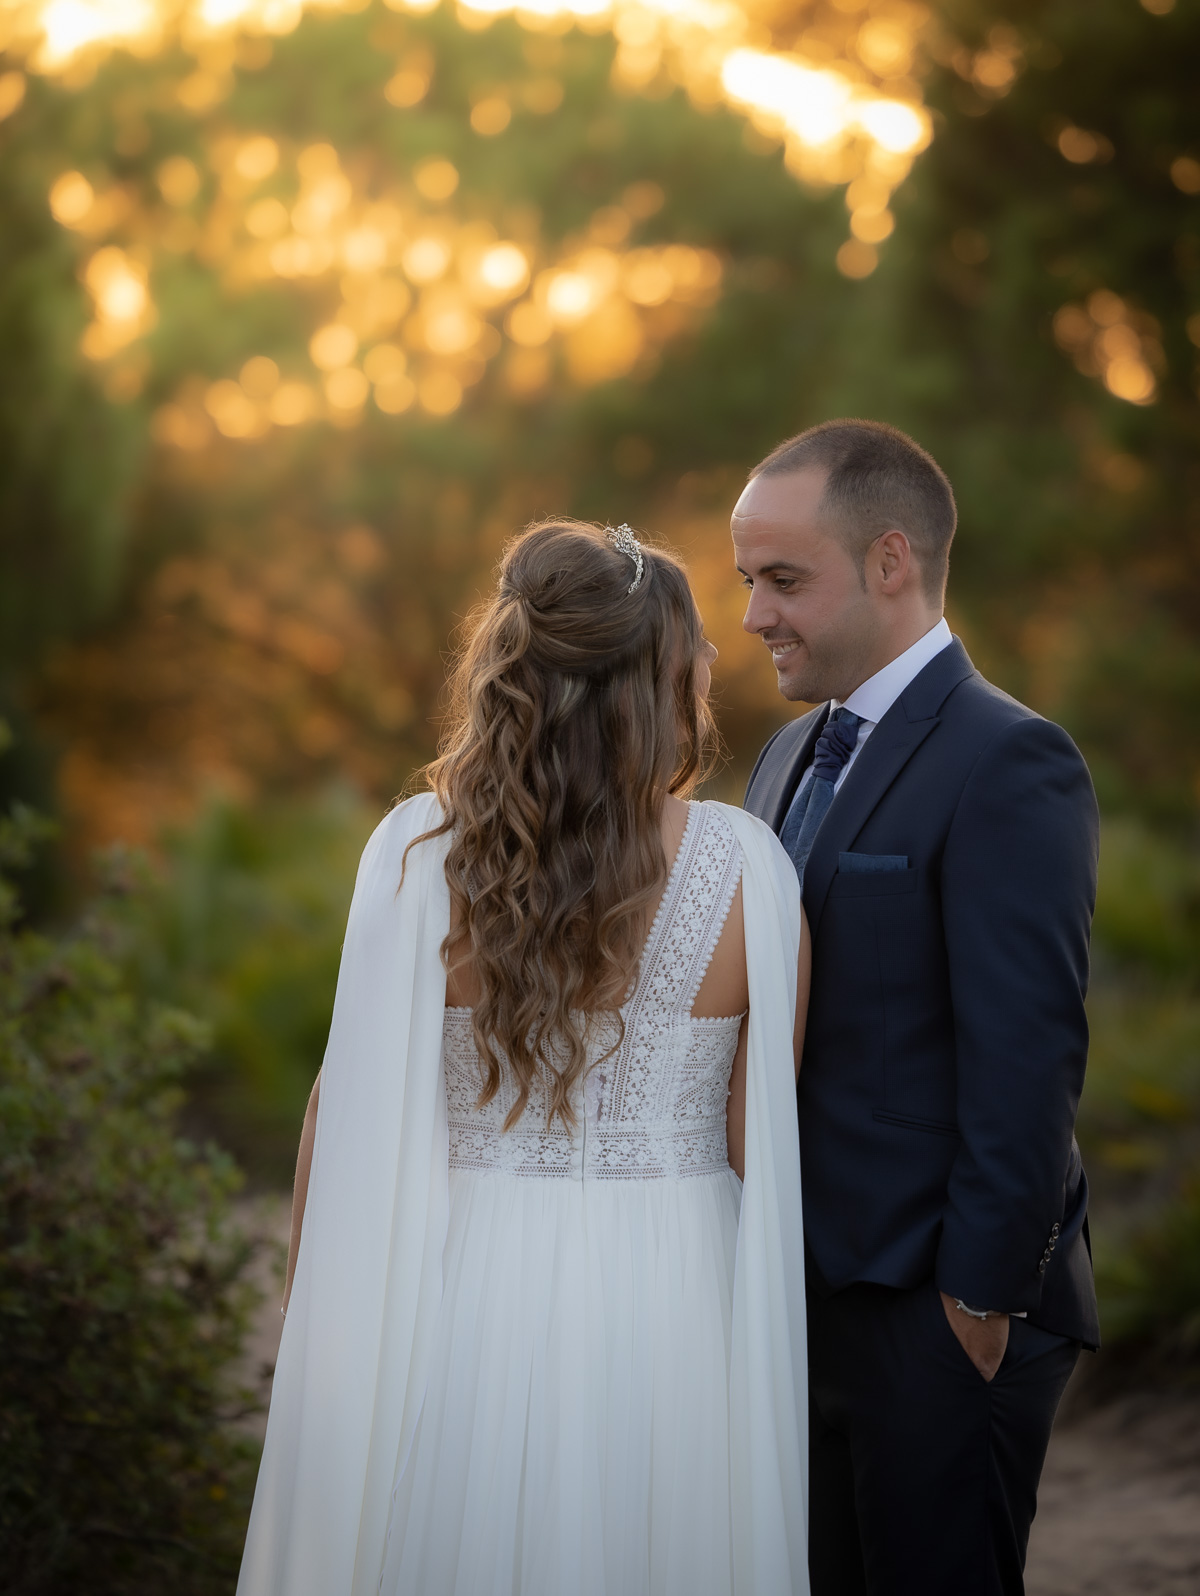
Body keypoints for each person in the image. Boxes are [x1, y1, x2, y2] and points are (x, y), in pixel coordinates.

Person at [237, 520, 813, 1596]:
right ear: (660, 677)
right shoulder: (753, 870)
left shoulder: (416, 854)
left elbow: (344, 1107)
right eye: (697, 643)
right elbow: (761, 1143)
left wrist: (321, 1318)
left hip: (467, 1283)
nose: (719, 657)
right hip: (677, 1294)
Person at [735, 420, 1100, 1596]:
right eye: (748, 581)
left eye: (783, 580)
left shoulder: (1011, 760)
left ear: (891, 562)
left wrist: (979, 1302)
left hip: (940, 1313)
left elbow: (1029, 1054)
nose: (753, 617)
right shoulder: (786, 757)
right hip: (805, 1303)